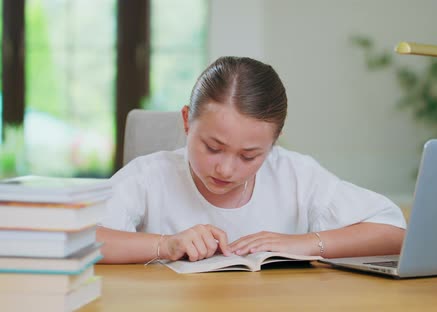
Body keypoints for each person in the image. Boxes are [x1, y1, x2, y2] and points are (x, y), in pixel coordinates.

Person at [97, 56, 406, 264]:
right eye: (213, 147)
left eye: (249, 156)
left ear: (273, 144)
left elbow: (395, 234)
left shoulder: (296, 174)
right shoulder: (150, 175)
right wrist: (164, 245)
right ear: (187, 122)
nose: (226, 169)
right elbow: (76, 239)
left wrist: (305, 243)